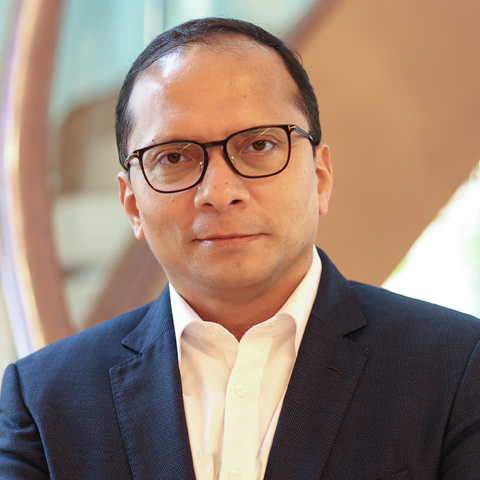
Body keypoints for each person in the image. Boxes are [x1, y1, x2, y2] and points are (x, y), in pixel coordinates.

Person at [1, 17, 480, 480]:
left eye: (259, 145)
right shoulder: (43, 401)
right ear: (132, 205)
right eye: (174, 156)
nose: (219, 191)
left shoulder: (457, 367)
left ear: (320, 177)